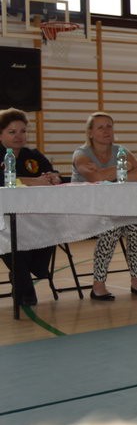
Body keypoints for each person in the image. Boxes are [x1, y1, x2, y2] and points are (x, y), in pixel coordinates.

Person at [71, 112, 137, 300]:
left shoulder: (121, 151)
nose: (107, 130)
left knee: (136, 227)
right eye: (101, 127)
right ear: (90, 133)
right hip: (85, 210)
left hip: (115, 208)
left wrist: (109, 173)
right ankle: (98, 285)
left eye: (109, 126)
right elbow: (95, 178)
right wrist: (123, 168)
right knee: (111, 227)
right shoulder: (81, 154)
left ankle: (136, 281)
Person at [0, 108, 61, 306]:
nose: (19, 136)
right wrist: (34, 181)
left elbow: (52, 173)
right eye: (12, 132)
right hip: (3, 217)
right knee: (11, 234)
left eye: (23, 131)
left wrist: (53, 177)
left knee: (53, 225)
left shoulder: (32, 155)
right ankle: (24, 284)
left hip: (33, 214)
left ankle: (23, 273)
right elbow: (3, 180)